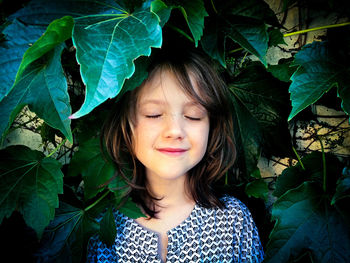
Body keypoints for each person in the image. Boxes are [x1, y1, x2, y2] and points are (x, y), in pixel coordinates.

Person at [87, 48, 264, 262]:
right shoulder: (101, 226)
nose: (175, 131)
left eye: (193, 116)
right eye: (154, 114)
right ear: (125, 126)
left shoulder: (234, 220)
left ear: (212, 127)